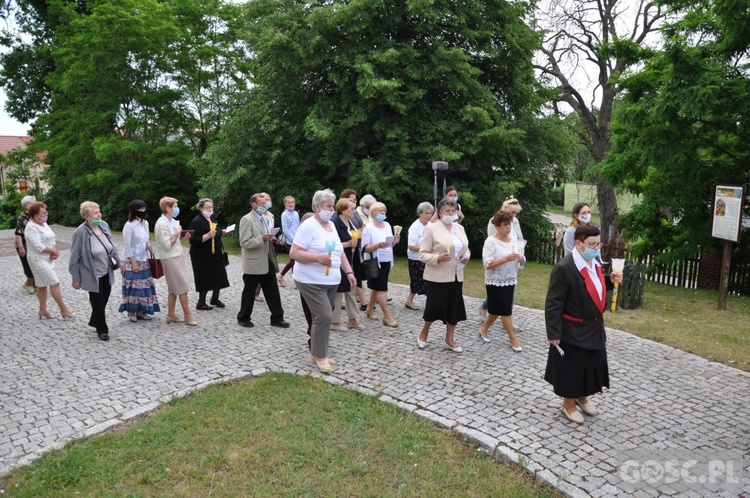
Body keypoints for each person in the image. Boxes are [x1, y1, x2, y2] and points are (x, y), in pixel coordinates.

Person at [545, 225, 622, 424]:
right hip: (573, 329)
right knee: (574, 366)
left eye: (598, 244)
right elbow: (553, 303)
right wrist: (554, 333)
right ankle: (568, 404)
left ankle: (582, 396)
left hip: (593, 327)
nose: (596, 248)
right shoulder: (565, 267)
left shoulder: (592, 262)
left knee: (591, 363)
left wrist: (609, 280)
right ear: (579, 244)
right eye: (591, 244)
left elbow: (591, 285)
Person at [290, 189, 357, 373]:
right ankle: (321, 356)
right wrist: (317, 258)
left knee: (322, 317)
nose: (331, 210)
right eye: (328, 206)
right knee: (325, 316)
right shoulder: (308, 226)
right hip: (310, 280)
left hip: (331, 279)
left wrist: (349, 272)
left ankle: (316, 351)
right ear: (318, 206)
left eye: (332, 206)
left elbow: (339, 251)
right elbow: (294, 253)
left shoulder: (331, 226)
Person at [417, 198, 470, 352]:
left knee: (455, 307)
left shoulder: (459, 228)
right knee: (434, 307)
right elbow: (422, 254)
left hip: (456, 274)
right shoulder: (431, 229)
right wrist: (437, 258)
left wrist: (466, 255)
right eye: (447, 211)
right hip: (437, 276)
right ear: (440, 213)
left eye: (452, 211)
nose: (450, 213)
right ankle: (424, 332)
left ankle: (449, 339)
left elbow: (465, 248)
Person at [69, 201, 124, 341]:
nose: (99, 214)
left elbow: (112, 247)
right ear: (86, 216)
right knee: (97, 303)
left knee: (104, 299)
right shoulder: (80, 233)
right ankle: (102, 329)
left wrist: (119, 261)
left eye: (99, 211)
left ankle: (94, 320)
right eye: (95, 213)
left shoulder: (103, 225)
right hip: (92, 274)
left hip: (107, 271)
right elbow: (74, 258)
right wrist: (76, 278)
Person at [236, 193, 290, 329]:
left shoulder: (265, 218)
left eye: (265, 203)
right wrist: (262, 239)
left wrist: (272, 239)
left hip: (267, 259)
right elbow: (244, 242)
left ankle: (277, 317)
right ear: (254, 205)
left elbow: (267, 236)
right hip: (254, 261)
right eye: (262, 203)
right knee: (249, 291)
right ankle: (243, 317)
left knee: (272, 290)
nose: (264, 206)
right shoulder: (246, 219)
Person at [479, 210, 525, 351]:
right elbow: (487, 264)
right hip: (495, 281)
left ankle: (484, 329)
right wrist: (505, 259)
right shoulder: (490, 242)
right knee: (506, 310)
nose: (508, 227)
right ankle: (513, 339)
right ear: (497, 226)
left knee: (495, 310)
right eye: (505, 225)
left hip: (510, 280)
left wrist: (521, 259)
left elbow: (519, 257)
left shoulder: (513, 239)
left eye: (509, 224)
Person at [24, 202, 75, 320]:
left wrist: (54, 250)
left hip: (48, 258)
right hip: (37, 259)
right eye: (43, 213)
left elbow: (52, 239)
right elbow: (38, 246)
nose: (46, 215)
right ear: (36, 215)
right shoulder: (31, 227)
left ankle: (42, 310)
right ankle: (64, 309)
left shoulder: (44, 224)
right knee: (54, 282)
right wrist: (53, 252)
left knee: (42, 285)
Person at [154, 197, 196, 326]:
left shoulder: (172, 221)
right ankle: (187, 315)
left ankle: (171, 314)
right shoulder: (161, 224)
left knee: (173, 287)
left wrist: (182, 236)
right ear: (168, 208)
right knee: (182, 286)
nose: (177, 208)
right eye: (175, 206)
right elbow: (167, 245)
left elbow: (174, 241)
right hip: (169, 258)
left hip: (177, 255)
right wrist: (177, 234)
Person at [481, 195, 525, 317]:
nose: (514, 216)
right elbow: (493, 239)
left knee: (510, 290)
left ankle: (506, 316)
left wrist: (520, 253)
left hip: (513, 258)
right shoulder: (493, 222)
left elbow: (519, 238)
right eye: (512, 212)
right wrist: (504, 256)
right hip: (500, 259)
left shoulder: (515, 222)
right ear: (505, 207)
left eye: (516, 213)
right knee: (498, 293)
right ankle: (502, 315)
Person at [119, 199, 160, 321]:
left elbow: (145, 239)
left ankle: (142, 310)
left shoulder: (145, 223)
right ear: (134, 211)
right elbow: (127, 245)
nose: (143, 211)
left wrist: (147, 245)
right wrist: (133, 263)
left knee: (144, 286)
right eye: (140, 209)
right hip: (131, 260)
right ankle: (131, 311)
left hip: (143, 259)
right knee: (133, 286)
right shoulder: (129, 225)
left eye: (144, 209)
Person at [361, 201, 400, 327]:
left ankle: (369, 309)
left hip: (387, 259)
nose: (383, 213)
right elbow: (364, 248)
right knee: (382, 289)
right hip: (375, 261)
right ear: (373, 213)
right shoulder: (369, 228)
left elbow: (389, 245)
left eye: (384, 211)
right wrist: (378, 245)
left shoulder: (387, 225)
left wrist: (394, 242)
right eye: (380, 211)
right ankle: (387, 316)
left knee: (377, 287)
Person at [187, 198, 230, 310]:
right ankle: (201, 302)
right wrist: (207, 236)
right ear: (201, 208)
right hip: (201, 255)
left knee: (218, 275)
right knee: (204, 277)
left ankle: (214, 298)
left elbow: (215, 230)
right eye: (207, 207)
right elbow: (193, 240)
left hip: (215, 253)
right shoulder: (197, 221)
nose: (210, 209)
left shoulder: (211, 218)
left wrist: (222, 231)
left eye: (211, 207)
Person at [330, 197, 365, 331]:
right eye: (351, 209)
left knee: (352, 287)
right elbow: (332, 244)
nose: (354, 211)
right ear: (343, 210)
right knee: (338, 291)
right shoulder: (334, 223)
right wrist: (348, 244)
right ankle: (334, 320)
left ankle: (352, 318)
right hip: (339, 261)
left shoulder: (350, 223)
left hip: (351, 260)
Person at [340, 189, 368, 308]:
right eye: (351, 199)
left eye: (355, 200)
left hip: (356, 246)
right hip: (347, 248)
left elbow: (357, 225)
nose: (354, 202)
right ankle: (363, 302)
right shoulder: (340, 217)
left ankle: (361, 303)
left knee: (356, 275)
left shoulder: (354, 213)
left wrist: (360, 230)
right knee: (350, 276)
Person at [404, 202, 434, 311]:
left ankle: (428, 302)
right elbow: (411, 246)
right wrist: (425, 247)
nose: (429, 215)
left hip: (428, 257)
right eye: (426, 213)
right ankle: (410, 301)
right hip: (416, 258)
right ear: (420, 213)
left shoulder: (430, 225)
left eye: (430, 213)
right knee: (417, 281)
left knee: (429, 280)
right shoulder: (415, 227)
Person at [15, 195, 37, 294]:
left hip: (34, 245)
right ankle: (29, 283)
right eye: (31, 203)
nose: (34, 205)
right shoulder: (23, 216)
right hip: (24, 245)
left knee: (35, 264)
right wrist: (21, 247)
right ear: (25, 206)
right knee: (28, 265)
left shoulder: (35, 215)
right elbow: (18, 232)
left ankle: (33, 283)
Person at [277, 195, 300, 287]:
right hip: (290, 241)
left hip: (297, 239)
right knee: (294, 260)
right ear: (285, 204)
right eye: (288, 202)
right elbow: (285, 229)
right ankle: (297, 281)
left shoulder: (296, 213)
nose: (290, 204)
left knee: (293, 261)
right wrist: (294, 240)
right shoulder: (284, 214)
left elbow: (298, 227)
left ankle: (280, 276)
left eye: (292, 202)